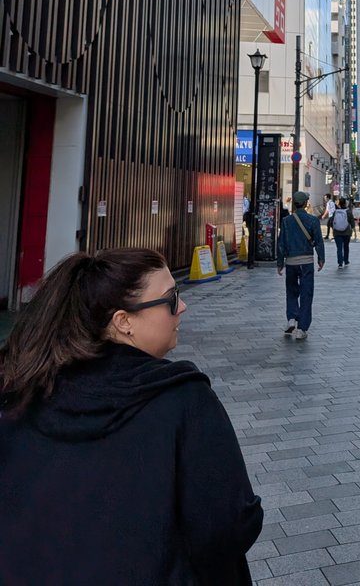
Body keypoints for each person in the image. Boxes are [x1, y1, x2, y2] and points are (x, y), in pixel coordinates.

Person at [0, 248, 263, 586]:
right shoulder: (183, 399)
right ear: (123, 321)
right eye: (171, 298)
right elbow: (230, 525)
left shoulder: (22, 391)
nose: (182, 307)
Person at [277, 191, 325, 338]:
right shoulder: (313, 220)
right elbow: (318, 241)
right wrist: (321, 258)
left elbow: (281, 244)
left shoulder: (286, 221)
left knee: (291, 291)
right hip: (306, 262)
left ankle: (291, 318)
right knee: (306, 294)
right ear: (305, 203)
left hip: (291, 262)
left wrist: (280, 263)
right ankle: (301, 329)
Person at [331, 197, 352, 268]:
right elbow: (352, 222)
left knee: (339, 248)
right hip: (346, 232)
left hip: (337, 232)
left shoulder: (335, 212)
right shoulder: (348, 212)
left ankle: (340, 263)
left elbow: (332, 222)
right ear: (345, 203)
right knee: (346, 247)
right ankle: (346, 261)